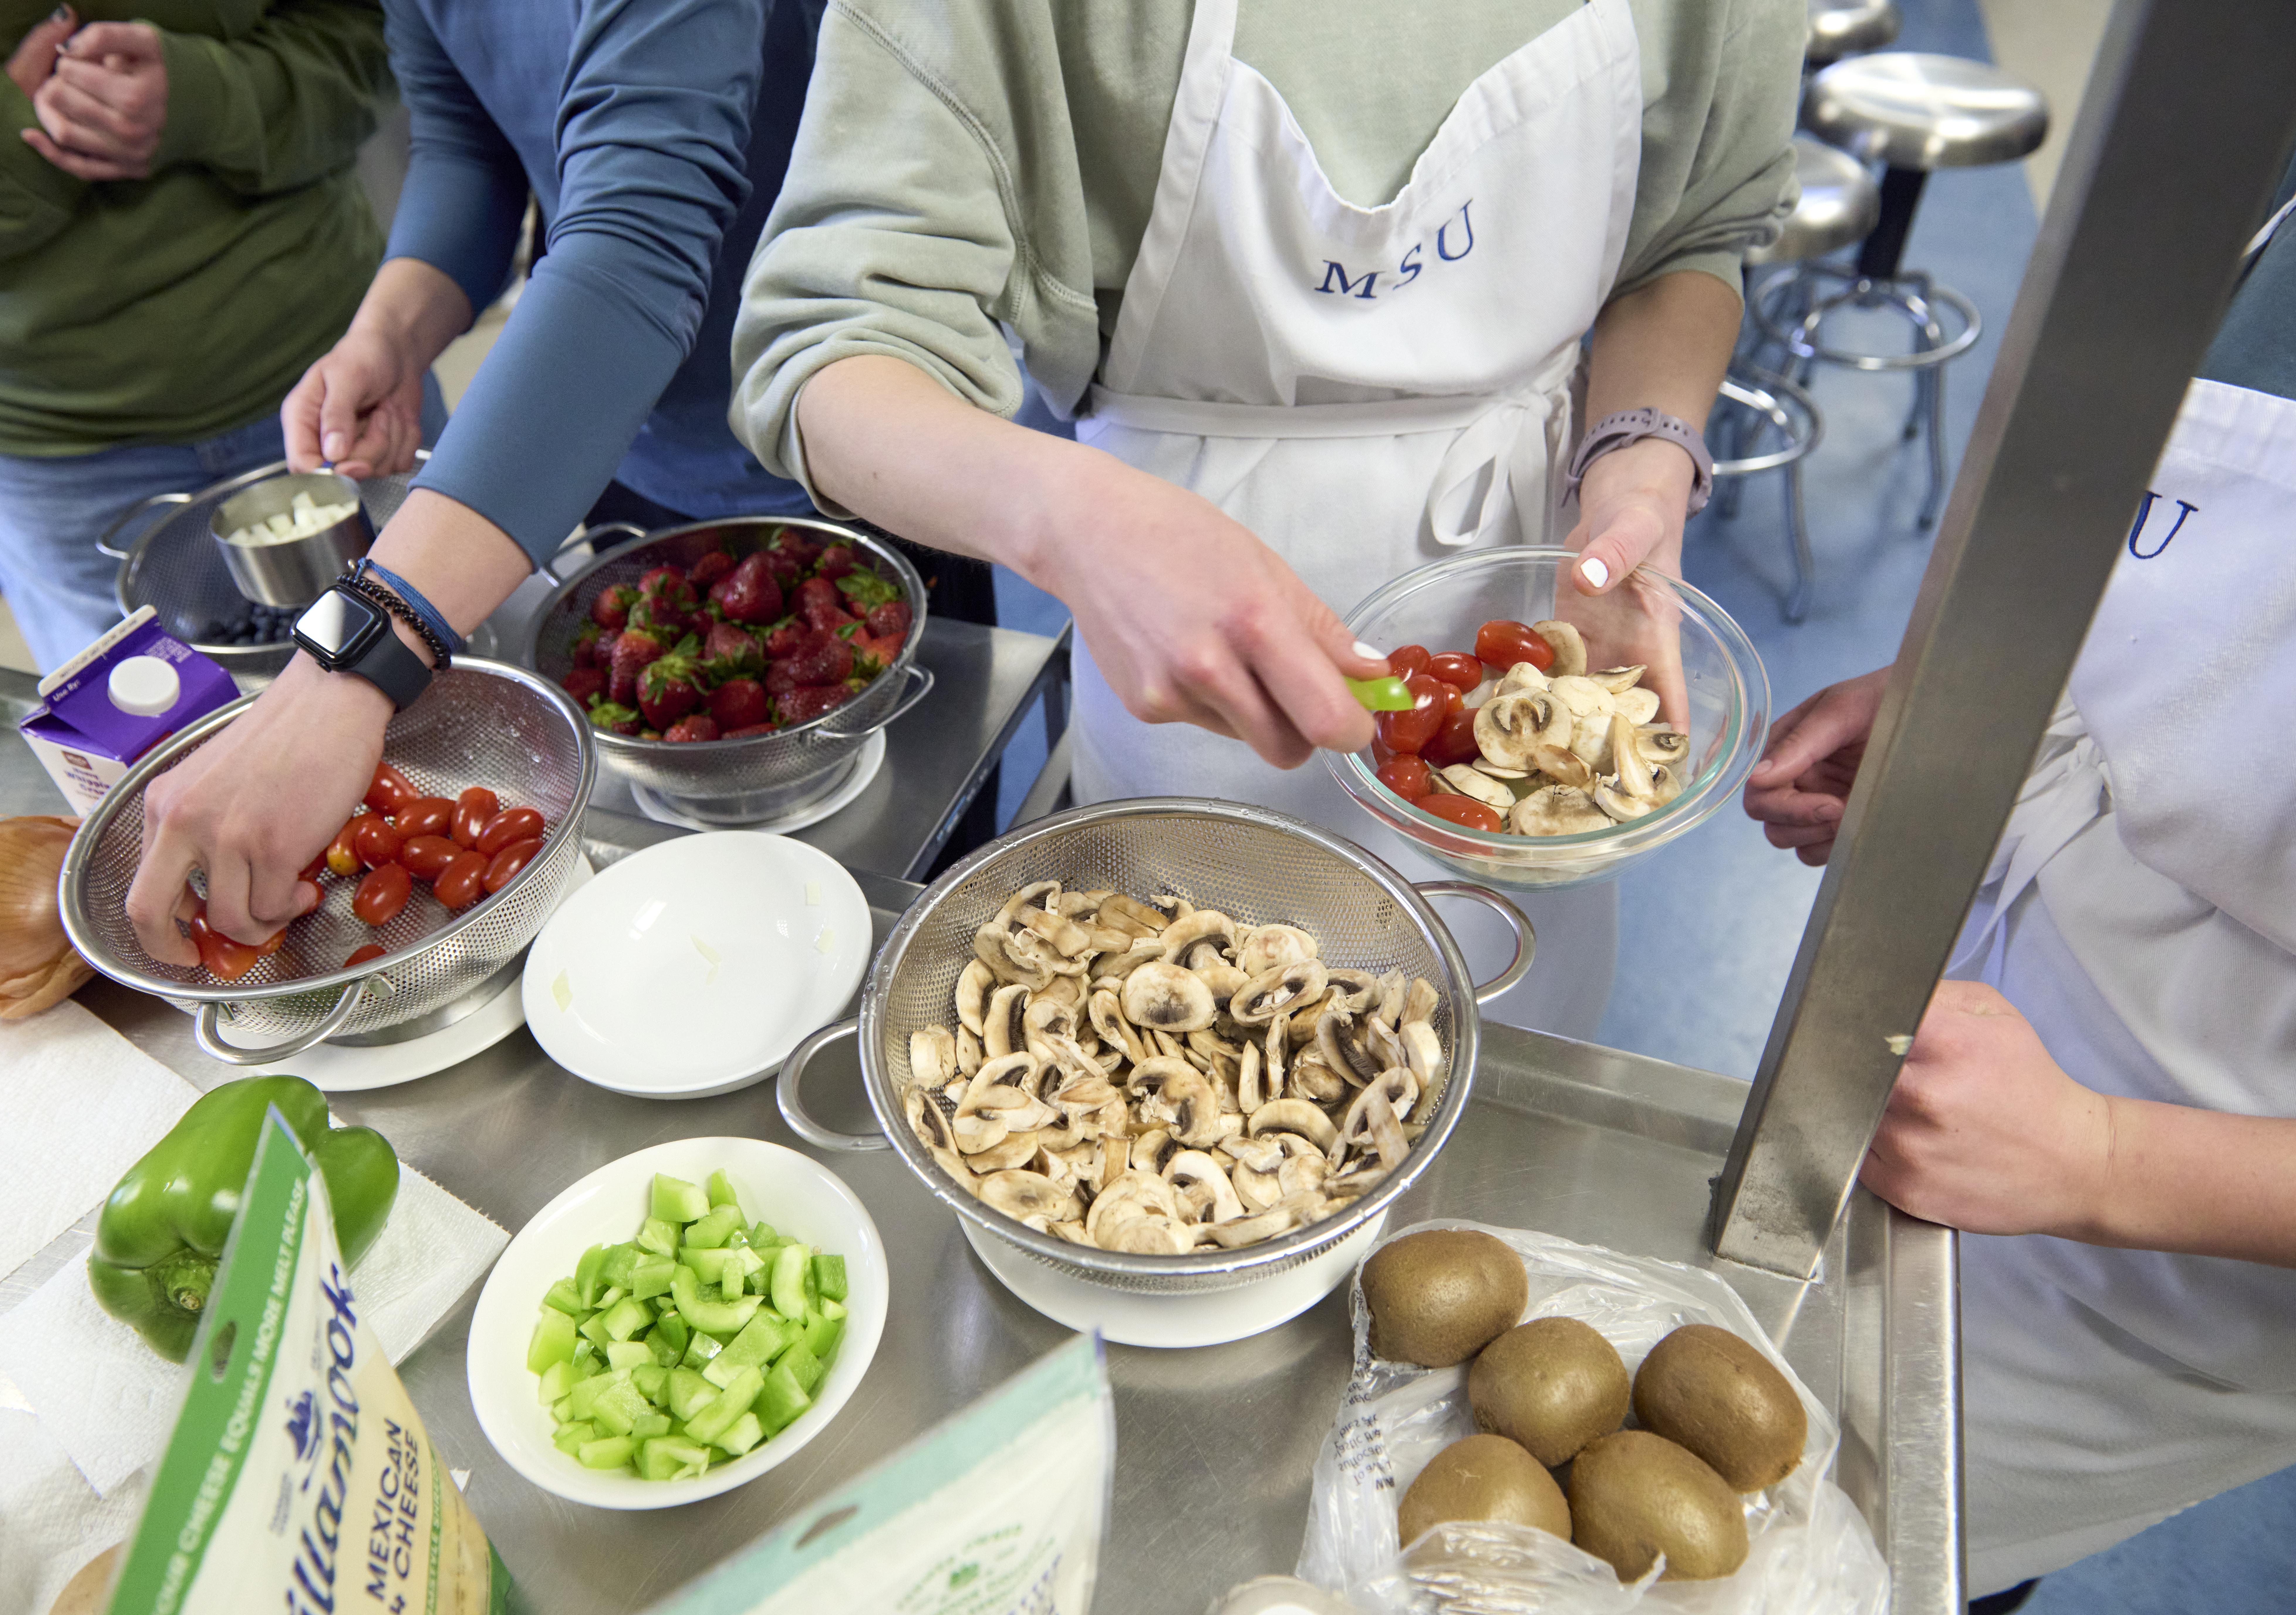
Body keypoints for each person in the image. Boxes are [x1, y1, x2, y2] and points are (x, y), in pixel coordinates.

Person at [731, 0, 1803, 1035]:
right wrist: (1073, 522)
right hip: (1182, 681)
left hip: (1528, 654)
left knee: (1503, 1061)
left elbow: (1691, 230)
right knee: (1205, 1082)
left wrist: (1640, 454)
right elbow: (827, 348)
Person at [1742, 178, 2296, 1608]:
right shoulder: (2252, 186)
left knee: (1860, 1542)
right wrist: (1981, 709)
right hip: (1979, 1014)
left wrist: (2101, 1157)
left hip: (2182, 1208)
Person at [123, 0, 831, 967]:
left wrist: (346, 664)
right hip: (607, 428)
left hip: (833, 417)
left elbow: (640, 231)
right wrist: (391, 330)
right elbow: (473, 143)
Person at [0, 0, 403, 670]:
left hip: (341, 370)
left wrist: (215, 100)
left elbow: (377, 35)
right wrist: (3, 162)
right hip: (51, 449)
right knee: (163, 748)